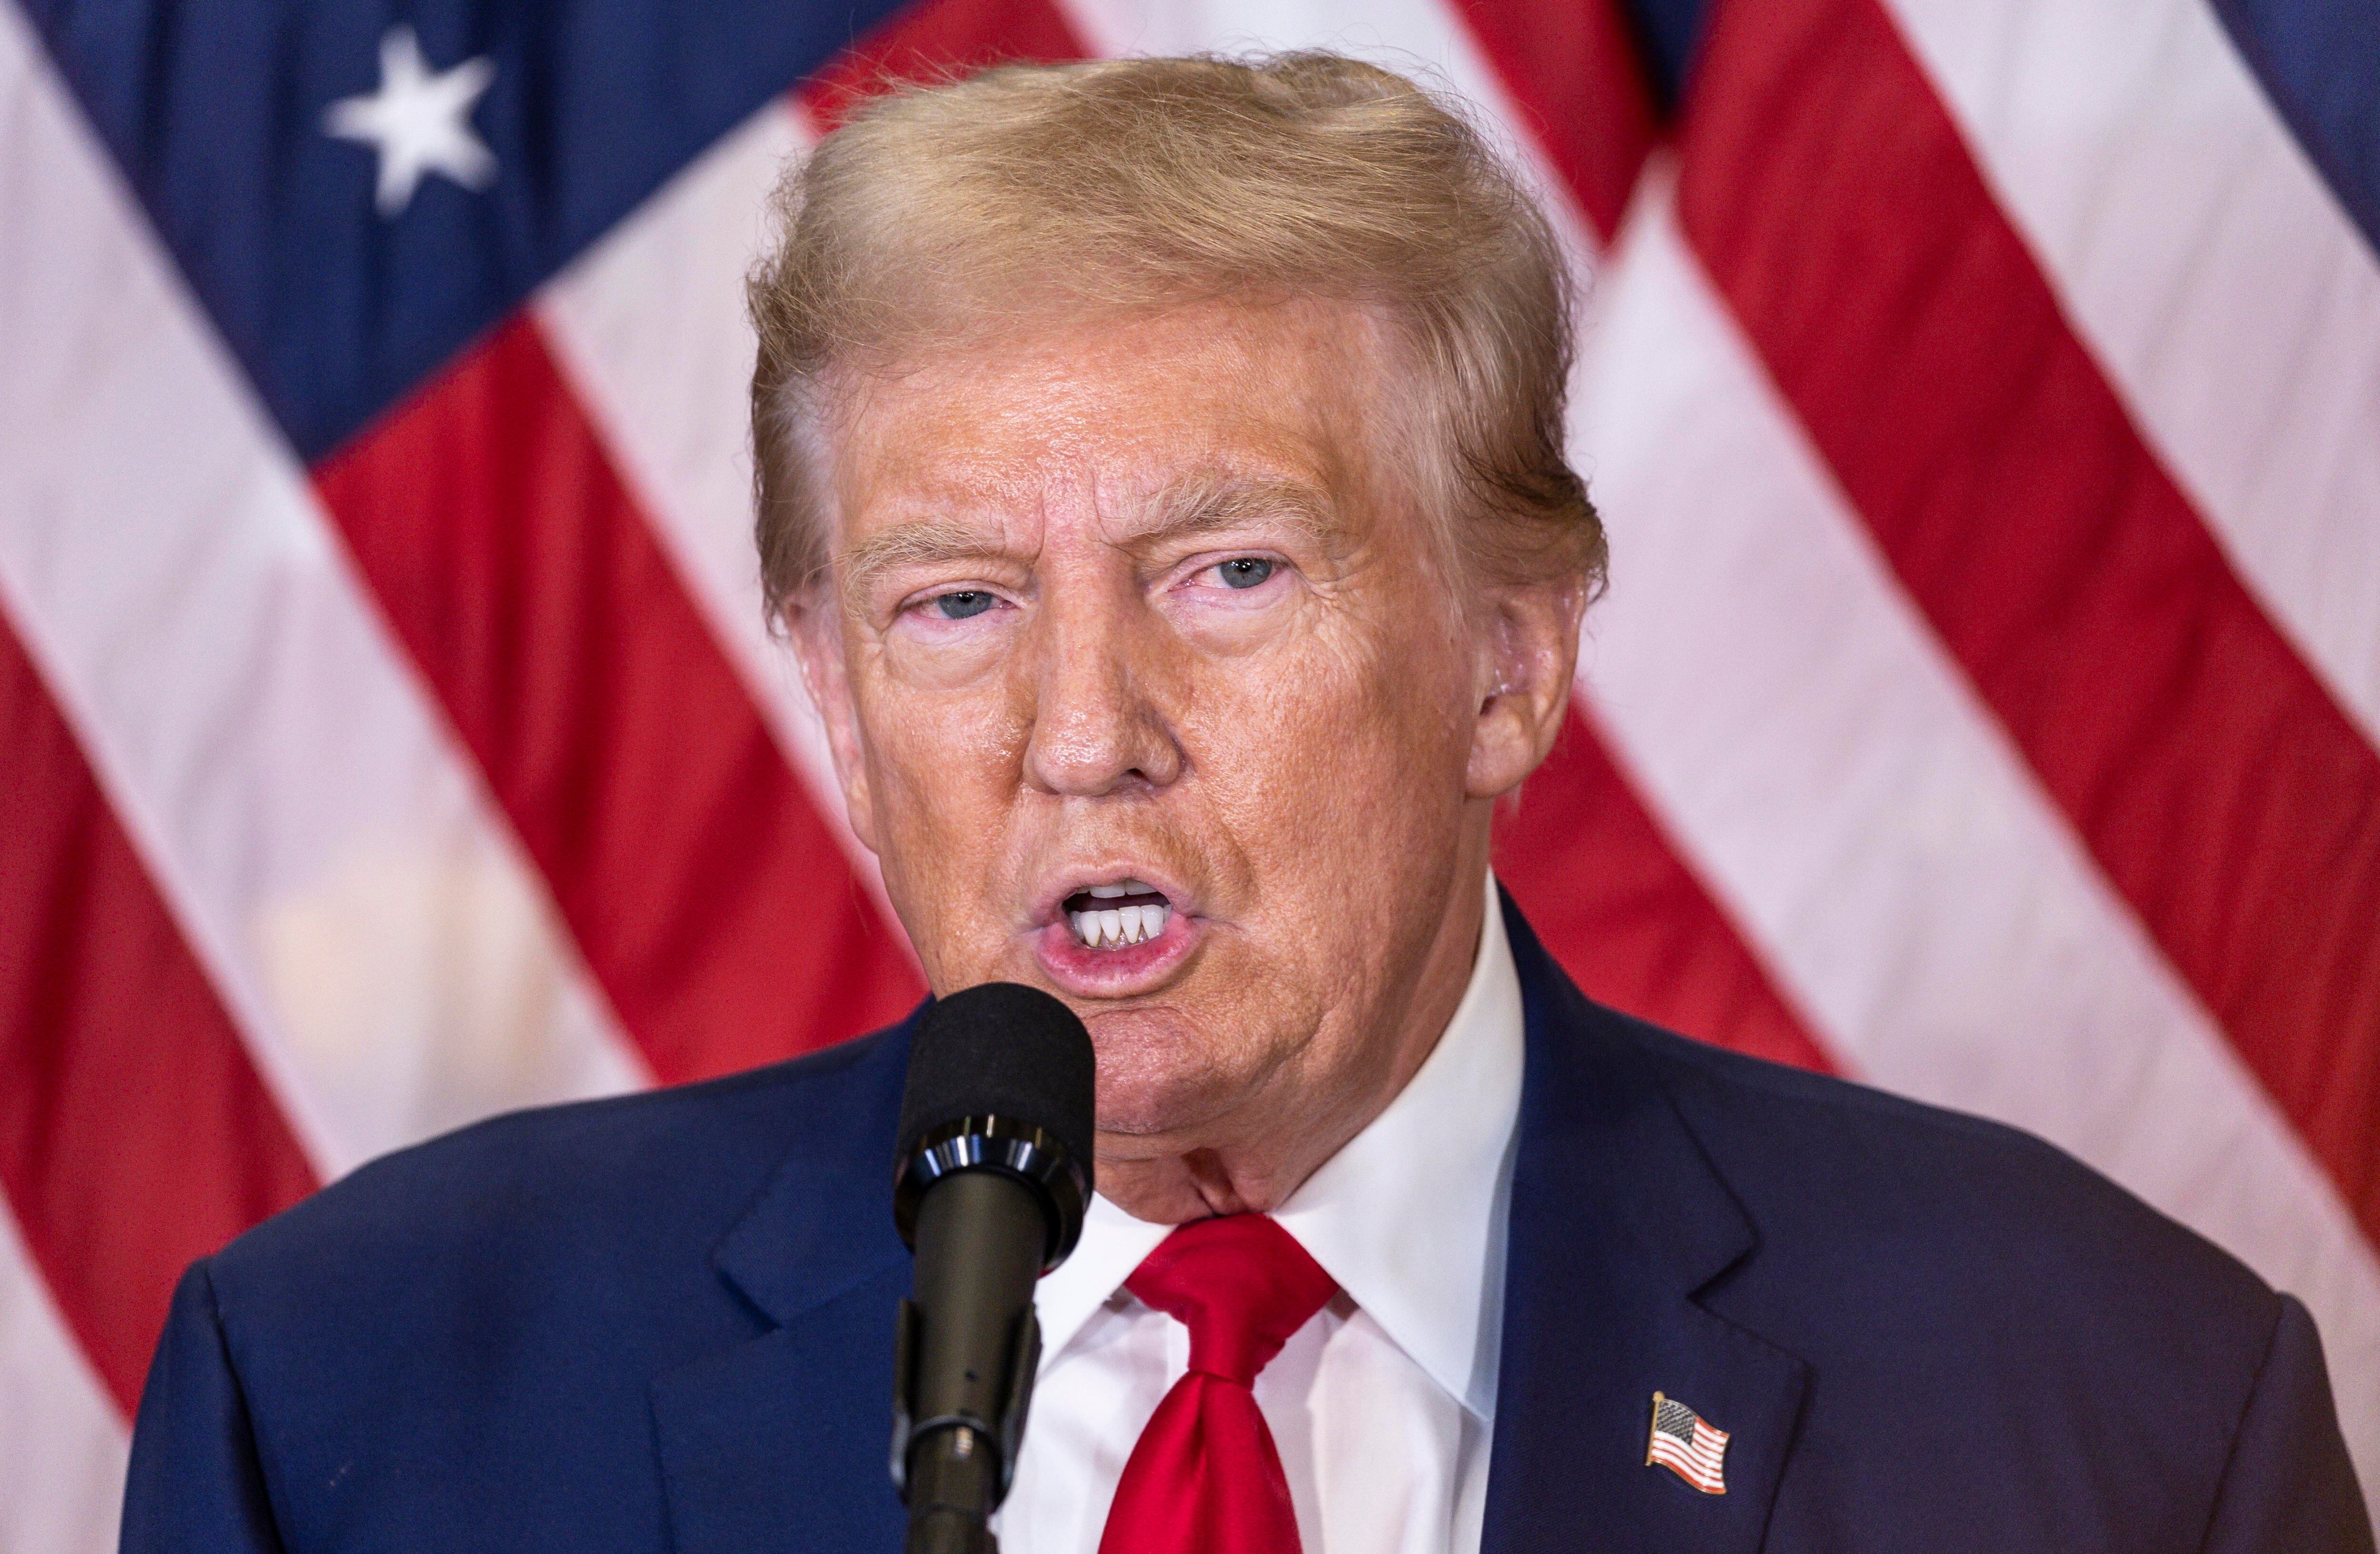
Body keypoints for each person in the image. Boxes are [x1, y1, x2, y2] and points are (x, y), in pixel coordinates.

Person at [121, 53, 2369, 1554]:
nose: (1083, 729)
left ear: (1508, 658)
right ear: (832, 698)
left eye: (1228, 573)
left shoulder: (2116, 1412)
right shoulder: (358, 1408)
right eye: (956, 602)